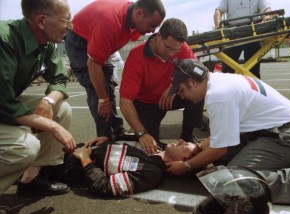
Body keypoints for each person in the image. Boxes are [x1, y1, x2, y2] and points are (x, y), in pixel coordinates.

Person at [166, 59, 290, 204]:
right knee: (219, 159)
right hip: (280, 133)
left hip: (287, 139)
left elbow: (220, 148)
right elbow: (224, 135)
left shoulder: (218, 96)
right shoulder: (221, 81)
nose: (182, 97)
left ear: (192, 81)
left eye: (181, 91)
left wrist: (186, 166)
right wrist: (199, 149)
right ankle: (282, 166)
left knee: (233, 181)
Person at [0, 0, 76, 196]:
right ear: (42, 20)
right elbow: (4, 105)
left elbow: (60, 78)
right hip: (3, 104)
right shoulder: (4, 39)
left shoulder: (46, 43)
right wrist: (51, 126)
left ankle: (30, 178)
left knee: (62, 109)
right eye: (66, 20)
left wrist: (47, 102)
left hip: (5, 102)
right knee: (24, 147)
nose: (70, 26)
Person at [64, 0, 165, 140]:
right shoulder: (109, 22)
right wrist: (103, 100)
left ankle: (118, 131)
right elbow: (93, 64)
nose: (153, 31)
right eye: (152, 25)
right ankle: (104, 139)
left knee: (109, 87)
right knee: (97, 90)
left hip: (101, 37)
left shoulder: (132, 16)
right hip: (80, 41)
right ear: (140, 13)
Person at [119, 18, 204, 155]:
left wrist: (173, 87)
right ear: (159, 36)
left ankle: (187, 136)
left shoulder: (181, 48)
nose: (171, 54)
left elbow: (198, 72)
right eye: (168, 48)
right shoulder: (136, 56)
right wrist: (141, 133)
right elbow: (125, 101)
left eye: (176, 50)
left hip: (171, 96)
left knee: (199, 92)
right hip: (148, 103)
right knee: (150, 148)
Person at [40, 137, 200, 197]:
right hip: (75, 148)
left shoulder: (151, 173)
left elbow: (103, 186)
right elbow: (125, 140)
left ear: (182, 162)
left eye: (185, 146)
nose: (180, 140)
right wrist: (109, 140)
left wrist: (85, 158)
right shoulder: (154, 145)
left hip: (63, 166)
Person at [213, 0, 271, 78]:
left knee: (253, 70)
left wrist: (266, 17)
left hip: (252, 32)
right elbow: (218, 11)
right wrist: (218, 26)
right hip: (232, 33)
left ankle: (253, 88)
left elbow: (266, 9)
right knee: (227, 69)